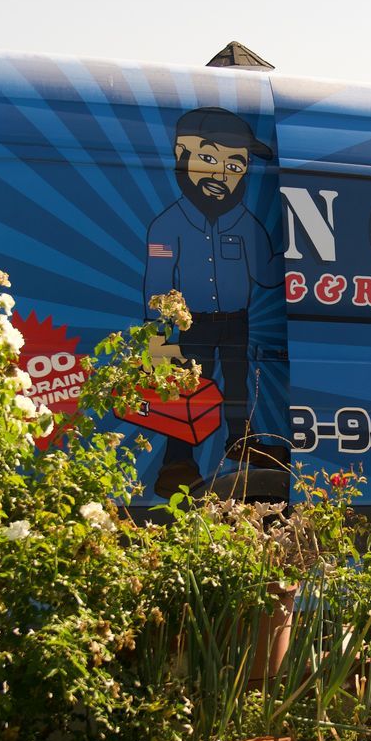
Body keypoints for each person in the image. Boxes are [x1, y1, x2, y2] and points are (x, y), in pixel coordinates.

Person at [141, 106, 276, 491]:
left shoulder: (246, 223)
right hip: (193, 323)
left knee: (238, 385)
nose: (221, 175)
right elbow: (157, 288)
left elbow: (267, 273)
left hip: (236, 322)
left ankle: (242, 443)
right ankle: (177, 463)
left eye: (235, 166)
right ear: (181, 155)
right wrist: (157, 343)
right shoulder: (168, 224)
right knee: (184, 392)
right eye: (207, 158)